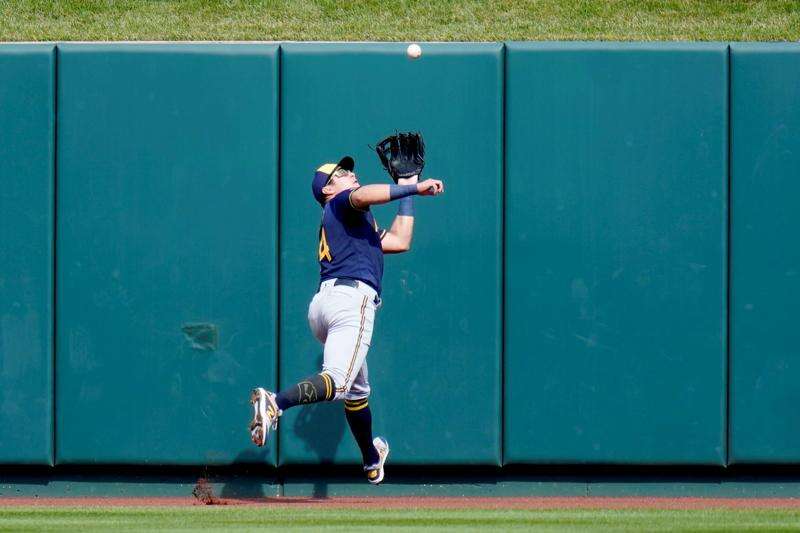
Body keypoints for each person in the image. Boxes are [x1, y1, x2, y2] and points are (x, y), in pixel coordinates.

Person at [249, 155, 444, 484]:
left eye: (349, 169)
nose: (350, 173)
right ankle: (275, 403)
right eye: (341, 173)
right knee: (338, 382)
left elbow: (401, 241)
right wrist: (411, 187)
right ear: (327, 189)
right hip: (351, 301)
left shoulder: (352, 225)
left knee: (357, 391)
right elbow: (363, 195)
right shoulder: (341, 202)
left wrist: (408, 189)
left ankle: (371, 459)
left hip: (325, 306)